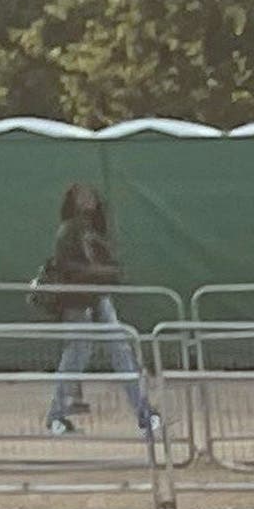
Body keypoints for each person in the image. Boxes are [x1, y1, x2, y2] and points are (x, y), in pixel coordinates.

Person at [40, 180, 162, 443]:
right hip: (78, 302)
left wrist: (106, 272)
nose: (88, 199)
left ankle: (144, 413)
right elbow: (67, 266)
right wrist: (99, 272)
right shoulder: (68, 232)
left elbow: (108, 263)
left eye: (90, 195)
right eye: (81, 196)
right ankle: (56, 415)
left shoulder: (93, 231)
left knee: (120, 351)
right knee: (76, 357)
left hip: (98, 298)